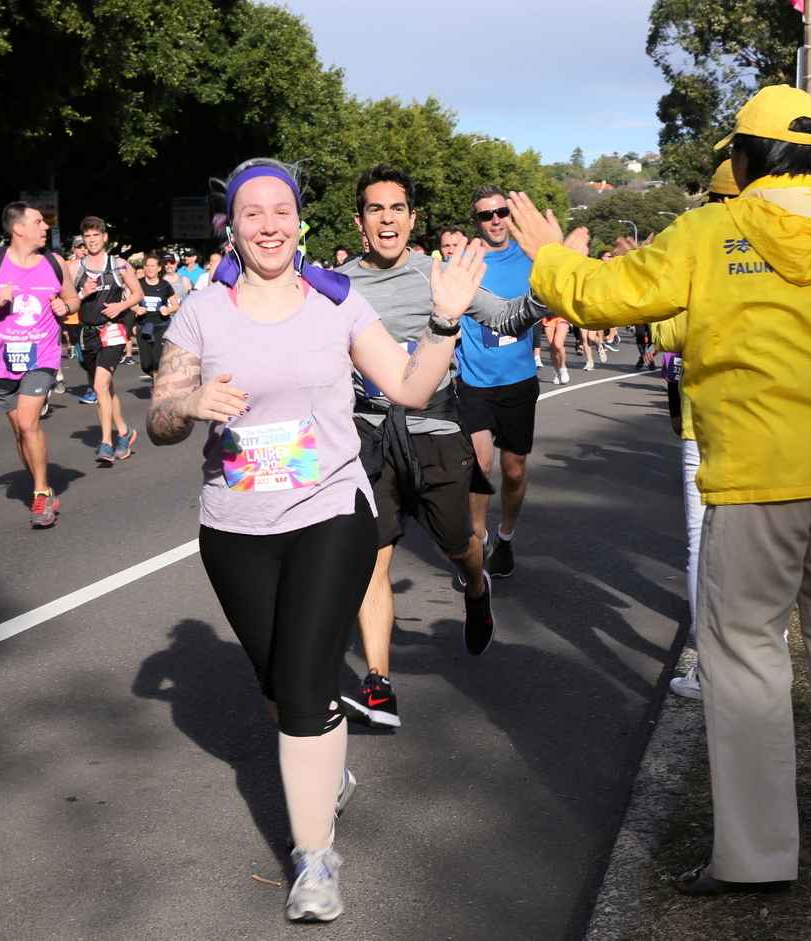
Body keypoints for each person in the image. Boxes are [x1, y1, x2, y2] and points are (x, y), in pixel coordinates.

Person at [508, 83, 811, 894]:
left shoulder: (710, 232)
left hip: (758, 477)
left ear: (747, 154)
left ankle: (759, 856)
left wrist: (550, 254)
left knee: (746, 660)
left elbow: (606, 296)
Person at [147, 158, 486, 924]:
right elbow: (160, 418)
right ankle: (326, 766)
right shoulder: (203, 311)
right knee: (281, 687)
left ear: (300, 220)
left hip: (330, 510)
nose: (269, 224)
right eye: (253, 212)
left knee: (304, 686)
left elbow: (410, 387)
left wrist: (444, 321)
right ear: (231, 225)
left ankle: (314, 858)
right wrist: (190, 402)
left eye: (282, 210)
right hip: (236, 525)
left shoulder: (338, 303)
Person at [336, 165, 551, 727]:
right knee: (372, 555)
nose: (387, 220)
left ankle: (477, 589)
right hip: (370, 436)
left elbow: (507, 317)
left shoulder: (438, 275)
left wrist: (549, 285)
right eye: (375, 210)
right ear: (360, 222)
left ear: (412, 219)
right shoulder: (336, 286)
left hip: (434, 431)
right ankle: (378, 682)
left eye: (397, 209)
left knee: (461, 546)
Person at [656, 158, 742, 701]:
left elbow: (668, 335)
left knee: (702, 544)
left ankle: (710, 665)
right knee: (761, 543)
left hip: (704, 417)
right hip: (768, 418)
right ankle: (770, 642)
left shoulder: (698, 246)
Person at [0, 201, 80, 528]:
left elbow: (73, 299)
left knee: (28, 423)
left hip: (42, 355)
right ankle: (45, 488)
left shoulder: (55, 262)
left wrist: (65, 307)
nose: (46, 227)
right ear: (19, 228)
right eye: (39, 222)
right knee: (19, 431)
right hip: (3, 359)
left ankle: (40, 494)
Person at [456, 185, 541, 579]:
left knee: (514, 470)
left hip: (519, 381)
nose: (495, 220)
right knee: (479, 464)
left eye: (501, 212)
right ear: (475, 221)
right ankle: (476, 543)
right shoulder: (464, 263)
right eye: (485, 215)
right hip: (475, 381)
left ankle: (505, 537)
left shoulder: (530, 259)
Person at [72, 215, 144, 465]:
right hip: (88, 333)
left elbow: (138, 293)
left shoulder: (119, 265)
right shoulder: (75, 268)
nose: (92, 240)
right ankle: (124, 431)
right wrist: (83, 293)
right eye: (87, 236)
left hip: (113, 331)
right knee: (105, 389)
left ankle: (106, 443)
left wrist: (120, 306)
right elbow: (68, 302)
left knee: (100, 385)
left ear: (105, 238)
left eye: (96, 235)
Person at [135, 252, 179, 379]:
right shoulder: (138, 284)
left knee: (156, 361)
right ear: (144, 267)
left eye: (153, 266)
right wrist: (137, 308)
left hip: (161, 325)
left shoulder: (165, 285)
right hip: (143, 326)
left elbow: (176, 305)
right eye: (147, 266)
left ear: (159, 268)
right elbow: (128, 302)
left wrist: (168, 310)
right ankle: (158, 377)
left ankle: (157, 384)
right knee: (146, 365)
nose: (150, 269)